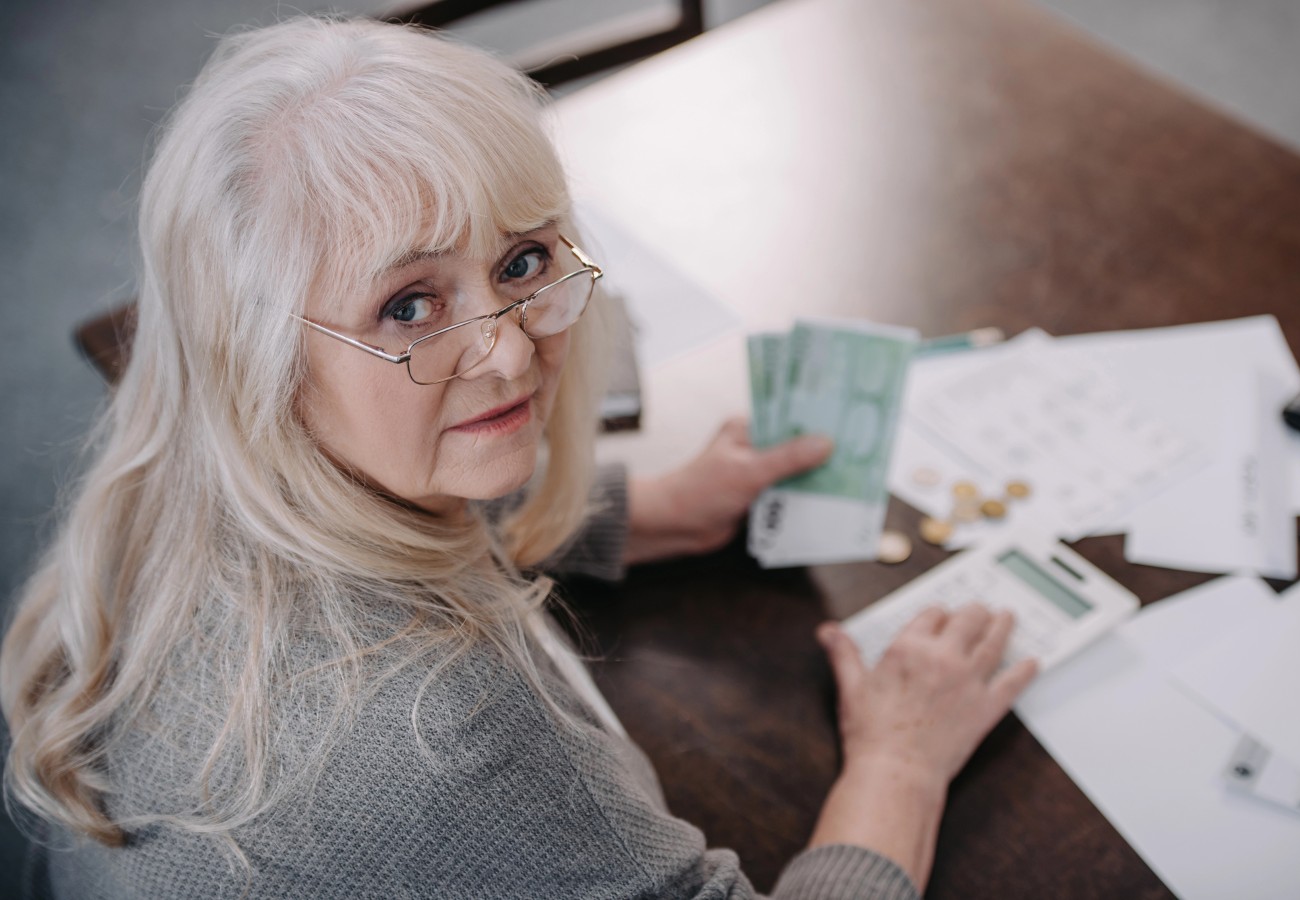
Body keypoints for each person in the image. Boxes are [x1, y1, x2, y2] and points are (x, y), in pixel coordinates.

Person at [0, 17, 1037, 900]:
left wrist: (656, 509)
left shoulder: (174, 474)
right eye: (409, 305)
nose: (508, 350)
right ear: (258, 357)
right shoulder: (445, 730)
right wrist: (900, 763)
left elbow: (380, 486)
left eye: (523, 260)